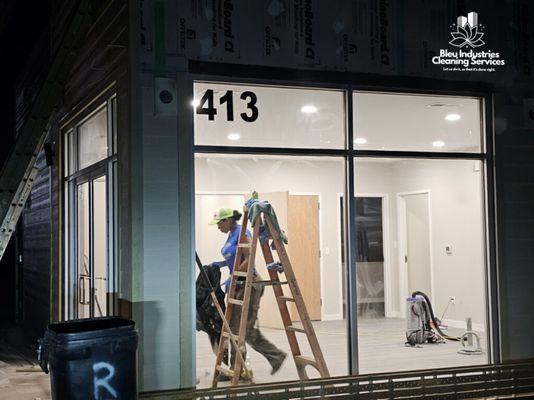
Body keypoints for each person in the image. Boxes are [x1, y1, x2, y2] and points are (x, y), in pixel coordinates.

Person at [209, 207, 287, 375]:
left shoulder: (242, 233)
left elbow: (249, 259)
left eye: (219, 223)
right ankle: (238, 369)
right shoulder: (232, 234)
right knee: (234, 330)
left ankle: (275, 356)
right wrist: (221, 264)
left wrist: (235, 276)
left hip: (249, 284)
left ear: (228, 220)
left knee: (246, 330)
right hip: (239, 284)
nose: (218, 227)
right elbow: (235, 258)